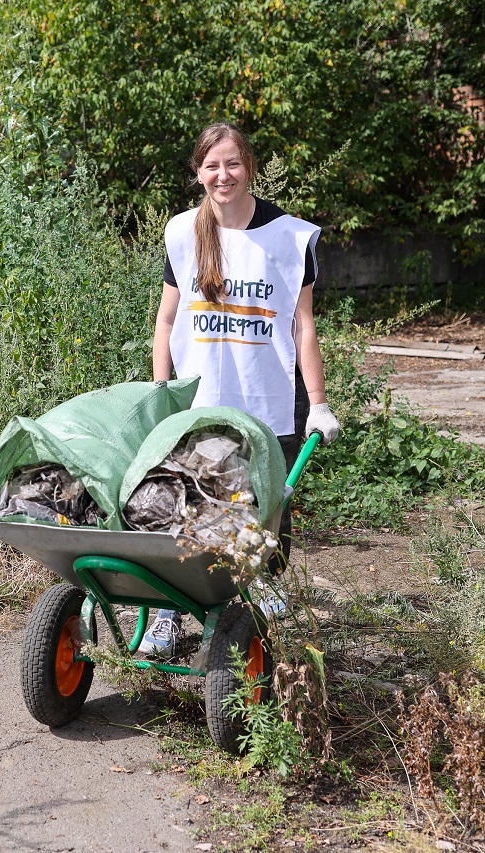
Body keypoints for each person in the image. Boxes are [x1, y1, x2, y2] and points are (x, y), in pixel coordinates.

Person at [138, 123, 339, 657]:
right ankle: (168, 608)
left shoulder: (289, 239)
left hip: (267, 399)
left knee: (267, 505)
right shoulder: (182, 233)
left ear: (248, 165)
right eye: (211, 166)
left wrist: (317, 403)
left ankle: (262, 588)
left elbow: (303, 325)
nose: (222, 175)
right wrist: (163, 391)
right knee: (187, 503)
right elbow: (165, 320)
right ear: (198, 173)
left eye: (232, 163)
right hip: (200, 399)